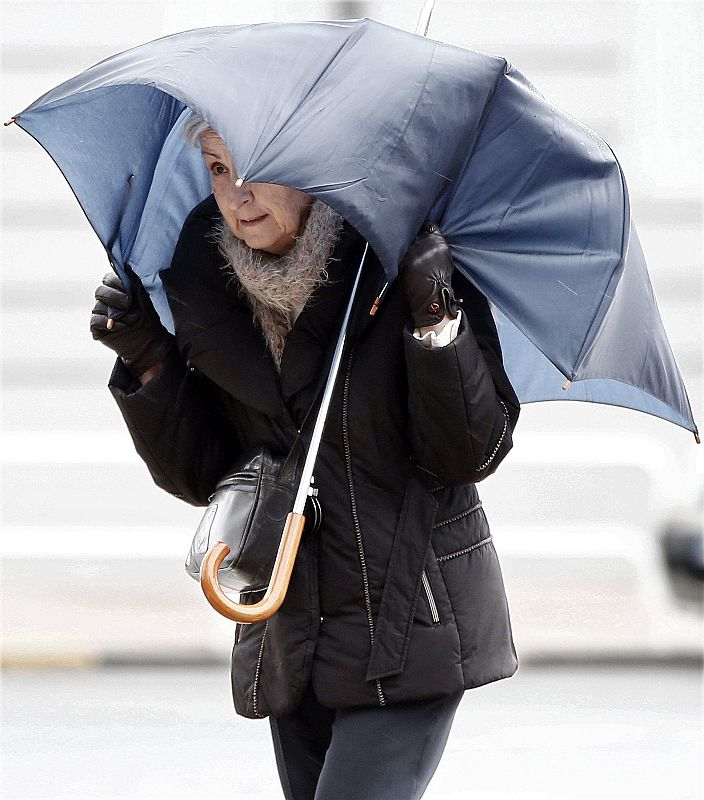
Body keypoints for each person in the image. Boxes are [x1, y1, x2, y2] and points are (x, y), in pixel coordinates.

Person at [90, 113, 521, 800]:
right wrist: (148, 363)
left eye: (255, 167)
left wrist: (436, 318)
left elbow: (468, 451)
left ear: (311, 163)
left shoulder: (397, 253)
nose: (237, 195)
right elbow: (204, 473)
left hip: (409, 618)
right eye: (217, 169)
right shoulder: (206, 280)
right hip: (291, 624)